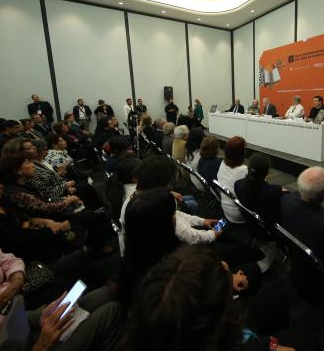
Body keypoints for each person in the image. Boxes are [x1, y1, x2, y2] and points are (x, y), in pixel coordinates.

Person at [0, 224, 122, 351]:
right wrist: (41, 345)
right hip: (31, 338)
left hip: (19, 319)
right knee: (111, 310)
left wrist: (40, 316)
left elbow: (11, 260)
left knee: (106, 293)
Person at [124, 245, 301, 351]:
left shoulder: (156, 321)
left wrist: (226, 280)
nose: (224, 265)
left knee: (260, 283)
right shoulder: (231, 339)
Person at [234, 153, 282, 226]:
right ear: (267, 172)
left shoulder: (237, 184)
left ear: (248, 168)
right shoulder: (274, 191)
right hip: (267, 228)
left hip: (250, 224)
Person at [217, 136, 248, 223]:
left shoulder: (223, 163)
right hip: (240, 213)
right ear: (241, 153)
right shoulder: (244, 170)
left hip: (226, 208)